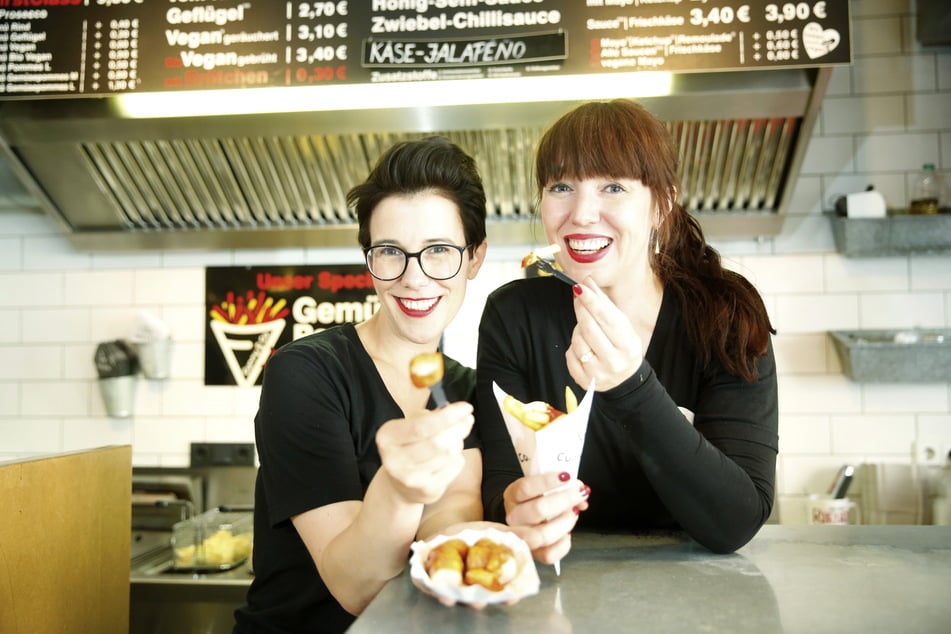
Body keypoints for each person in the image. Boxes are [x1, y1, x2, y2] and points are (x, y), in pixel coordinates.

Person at [477, 99, 778, 560]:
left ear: (663, 203)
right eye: (561, 186)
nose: (581, 214)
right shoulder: (513, 317)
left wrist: (631, 386)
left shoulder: (725, 314)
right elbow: (501, 488)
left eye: (613, 187)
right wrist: (514, 508)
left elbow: (735, 521)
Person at [234, 136, 488, 634]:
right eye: (391, 251)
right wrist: (398, 488)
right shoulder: (305, 372)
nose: (414, 278)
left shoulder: (471, 388)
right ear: (368, 257)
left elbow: (450, 520)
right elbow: (355, 586)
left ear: (474, 257)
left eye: (438, 251)